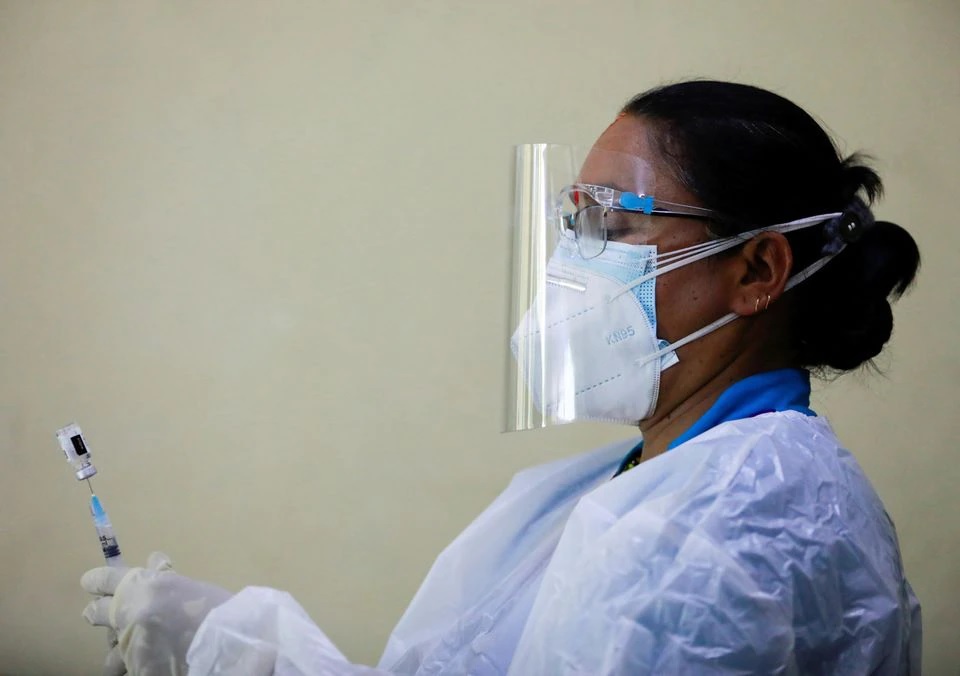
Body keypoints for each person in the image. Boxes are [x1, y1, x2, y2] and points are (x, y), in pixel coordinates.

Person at [80, 80, 922, 675]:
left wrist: (241, 653)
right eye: (570, 221)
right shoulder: (644, 482)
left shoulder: (718, 530)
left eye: (611, 223)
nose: (570, 262)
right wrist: (229, 642)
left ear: (757, 270)